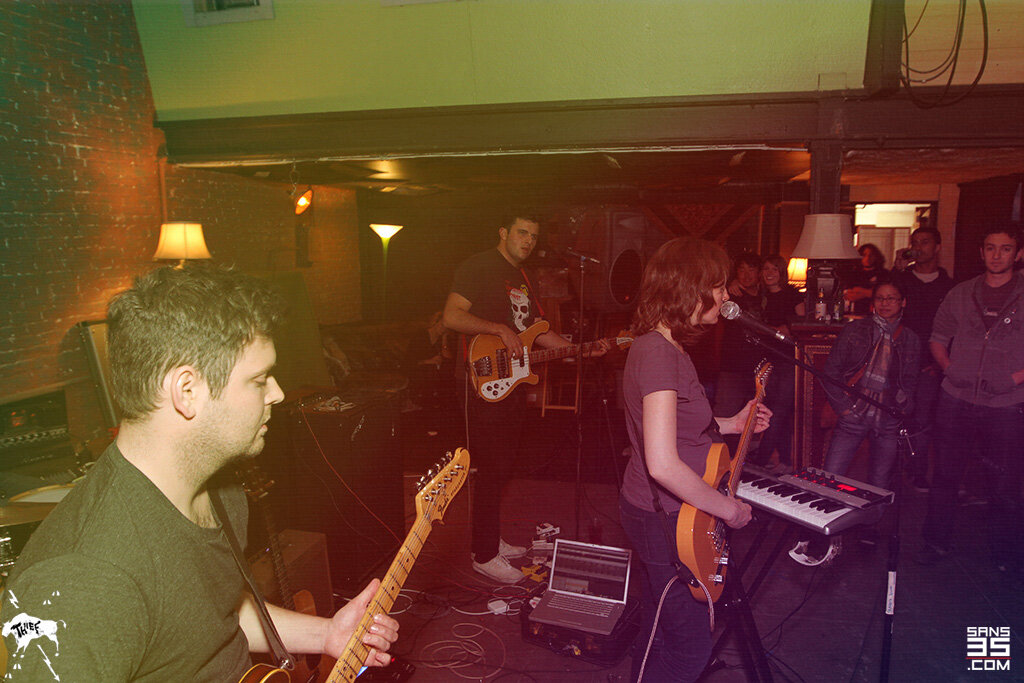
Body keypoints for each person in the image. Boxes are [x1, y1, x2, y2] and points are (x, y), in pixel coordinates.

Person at [1, 264, 398, 681]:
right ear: (187, 391)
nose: (278, 393)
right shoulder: (87, 583)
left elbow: (214, 616)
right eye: (259, 379)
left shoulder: (220, 488)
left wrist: (327, 634)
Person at [618, 237, 770, 682]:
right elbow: (662, 464)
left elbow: (672, 425)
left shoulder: (664, 347)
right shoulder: (658, 354)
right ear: (688, 289)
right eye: (718, 287)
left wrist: (731, 423)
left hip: (664, 512)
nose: (726, 296)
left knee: (659, 627)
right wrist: (729, 510)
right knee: (689, 649)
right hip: (664, 517)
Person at [442, 214, 608, 583]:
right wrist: (498, 329)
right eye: (522, 232)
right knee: (490, 467)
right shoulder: (478, 265)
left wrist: (580, 349)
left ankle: (489, 539)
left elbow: (535, 331)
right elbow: (452, 316)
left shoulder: (521, 277)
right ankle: (483, 555)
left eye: (533, 235)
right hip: (480, 379)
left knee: (502, 467)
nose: (528, 241)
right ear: (503, 232)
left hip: (511, 382)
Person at [916, 226, 1024, 581]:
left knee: (1005, 484)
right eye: (991, 248)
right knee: (945, 476)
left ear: (1017, 254)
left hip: (1006, 403)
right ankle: (935, 543)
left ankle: (1007, 555)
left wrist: (1014, 379)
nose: (997, 255)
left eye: (1005, 249)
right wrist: (949, 369)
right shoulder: (962, 293)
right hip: (956, 399)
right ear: (981, 252)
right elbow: (937, 338)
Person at [790, 280, 920, 566]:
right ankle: (821, 530)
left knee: (879, 480)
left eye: (892, 298)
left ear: (903, 302)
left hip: (886, 417)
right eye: (881, 298)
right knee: (831, 475)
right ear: (873, 302)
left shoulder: (910, 338)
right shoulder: (855, 330)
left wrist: (903, 407)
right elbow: (831, 371)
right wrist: (844, 408)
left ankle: (869, 529)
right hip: (854, 413)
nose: (886, 303)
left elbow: (910, 383)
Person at [891, 226, 955, 490]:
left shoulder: (949, 286)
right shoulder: (902, 280)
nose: (919, 247)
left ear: (937, 247)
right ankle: (891, 471)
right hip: (899, 360)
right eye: (915, 242)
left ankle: (917, 471)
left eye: (925, 242)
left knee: (924, 418)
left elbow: (954, 328)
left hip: (931, 364)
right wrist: (896, 271)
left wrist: (941, 363)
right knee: (894, 415)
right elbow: (885, 306)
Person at [753, 255, 805, 473]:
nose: (769, 273)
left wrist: (781, 329)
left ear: (782, 272)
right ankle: (784, 460)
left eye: (774, 269)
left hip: (788, 360)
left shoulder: (793, 294)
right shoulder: (760, 295)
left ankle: (761, 459)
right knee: (774, 409)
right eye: (766, 268)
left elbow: (802, 326)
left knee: (780, 410)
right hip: (768, 359)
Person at [716, 252, 766, 425]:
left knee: (757, 418)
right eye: (741, 270)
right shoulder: (730, 296)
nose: (746, 275)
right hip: (733, 366)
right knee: (726, 412)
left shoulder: (766, 294)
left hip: (760, 367)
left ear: (759, 272)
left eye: (751, 269)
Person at [844, 243, 889, 315]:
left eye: (871, 255)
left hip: (877, 312)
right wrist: (869, 293)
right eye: (864, 255)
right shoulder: (854, 274)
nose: (868, 258)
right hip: (855, 312)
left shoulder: (884, 274)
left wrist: (862, 292)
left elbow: (883, 294)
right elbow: (849, 294)